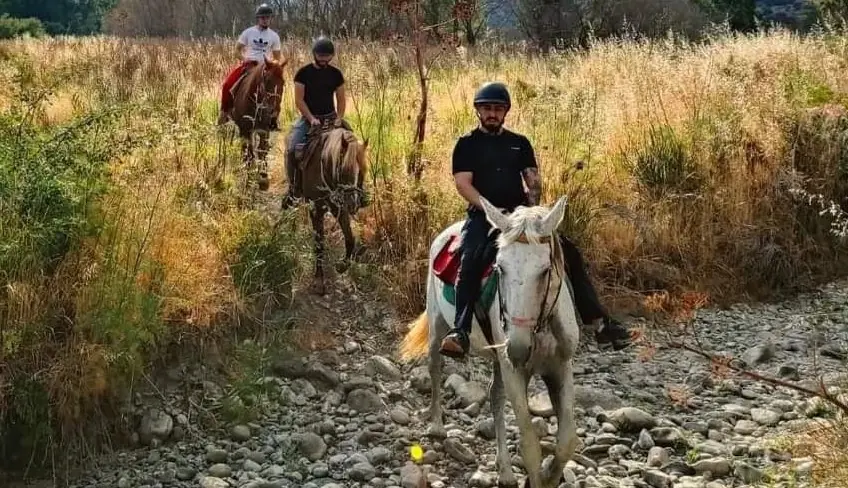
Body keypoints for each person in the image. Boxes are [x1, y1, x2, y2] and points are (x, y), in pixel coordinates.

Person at [438, 81, 632, 358]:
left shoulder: (519, 143)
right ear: (478, 112)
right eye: (487, 109)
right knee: (469, 259)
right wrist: (492, 210)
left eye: (497, 109)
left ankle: (599, 322)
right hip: (485, 217)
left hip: (521, 217)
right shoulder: (466, 144)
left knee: (570, 253)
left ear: (505, 112)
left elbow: (533, 180)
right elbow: (463, 184)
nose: (492, 113)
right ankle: (461, 330)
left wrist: (532, 210)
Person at [282, 36, 367, 207]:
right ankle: (293, 189)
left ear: (332, 56)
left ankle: (361, 190)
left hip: (331, 117)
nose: (323, 59)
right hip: (309, 118)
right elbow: (299, 100)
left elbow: (341, 99)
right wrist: (311, 119)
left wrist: (339, 118)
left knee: (356, 148)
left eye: (327, 56)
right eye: (320, 55)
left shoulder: (336, 74)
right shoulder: (303, 73)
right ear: (314, 54)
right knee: (292, 148)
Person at [217, 3, 283, 127]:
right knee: (227, 85)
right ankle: (224, 113)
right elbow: (237, 50)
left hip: (265, 67)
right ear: (258, 18)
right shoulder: (248, 32)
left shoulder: (274, 36)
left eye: (268, 17)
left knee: (276, 88)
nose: (265, 20)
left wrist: (272, 66)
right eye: (263, 17)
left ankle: (274, 118)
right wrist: (244, 59)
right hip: (249, 65)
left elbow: (277, 57)